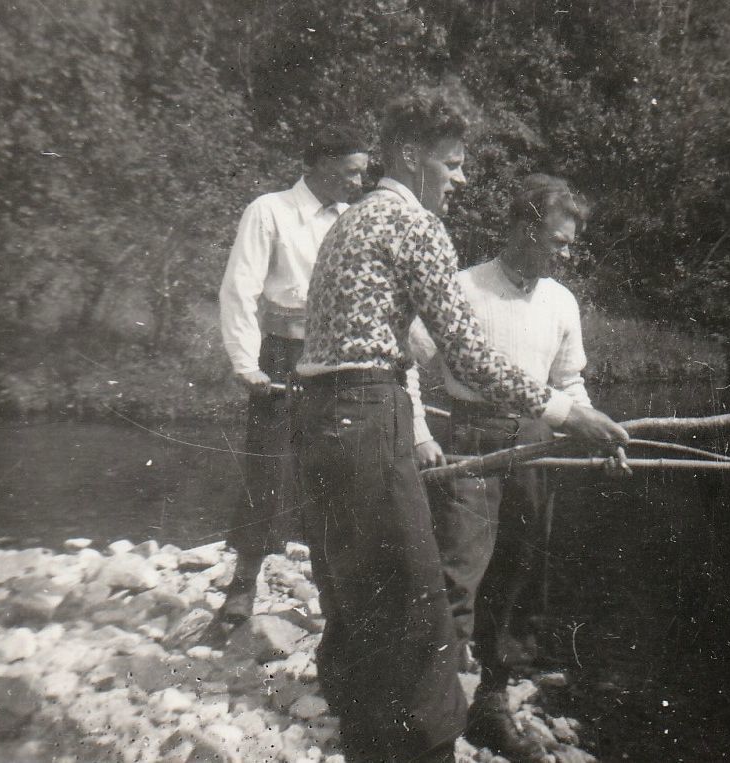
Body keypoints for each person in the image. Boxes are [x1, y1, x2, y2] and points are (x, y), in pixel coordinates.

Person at [293, 88, 629, 763]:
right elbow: (471, 356)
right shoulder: (415, 226)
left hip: (318, 417)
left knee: (362, 598)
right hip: (370, 417)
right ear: (412, 157)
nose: (462, 176)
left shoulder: (348, 220)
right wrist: (570, 413)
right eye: (452, 162)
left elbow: (386, 340)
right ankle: (431, 750)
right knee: (421, 609)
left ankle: (369, 743)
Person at [410, 174, 624, 761]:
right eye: (558, 239)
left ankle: (491, 705)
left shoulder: (561, 301)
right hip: (468, 439)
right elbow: (404, 359)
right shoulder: (461, 288)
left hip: (536, 443)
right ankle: (436, 716)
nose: (566, 252)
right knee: (458, 571)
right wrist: (420, 431)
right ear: (524, 228)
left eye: (570, 242)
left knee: (520, 572)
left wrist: (601, 434)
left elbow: (568, 385)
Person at [211, 128, 369, 641]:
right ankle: (243, 584)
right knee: (268, 466)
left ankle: (334, 594)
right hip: (282, 354)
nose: (360, 180)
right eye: (351, 170)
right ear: (321, 164)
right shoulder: (270, 210)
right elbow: (239, 288)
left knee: (336, 470)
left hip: (340, 358)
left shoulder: (354, 221)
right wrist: (246, 363)